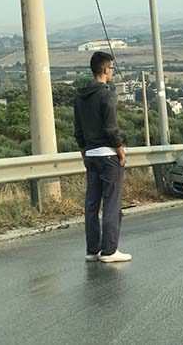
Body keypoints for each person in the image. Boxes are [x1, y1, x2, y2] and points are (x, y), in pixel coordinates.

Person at [73, 51, 131, 263]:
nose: (113, 72)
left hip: (90, 155)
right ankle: (109, 251)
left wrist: (84, 150)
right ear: (106, 69)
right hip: (108, 156)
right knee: (111, 203)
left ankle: (92, 250)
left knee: (91, 204)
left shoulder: (80, 96)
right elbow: (111, 128)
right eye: (112, 68)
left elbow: (78, 130)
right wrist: (120, 150)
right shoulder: (106, 95)